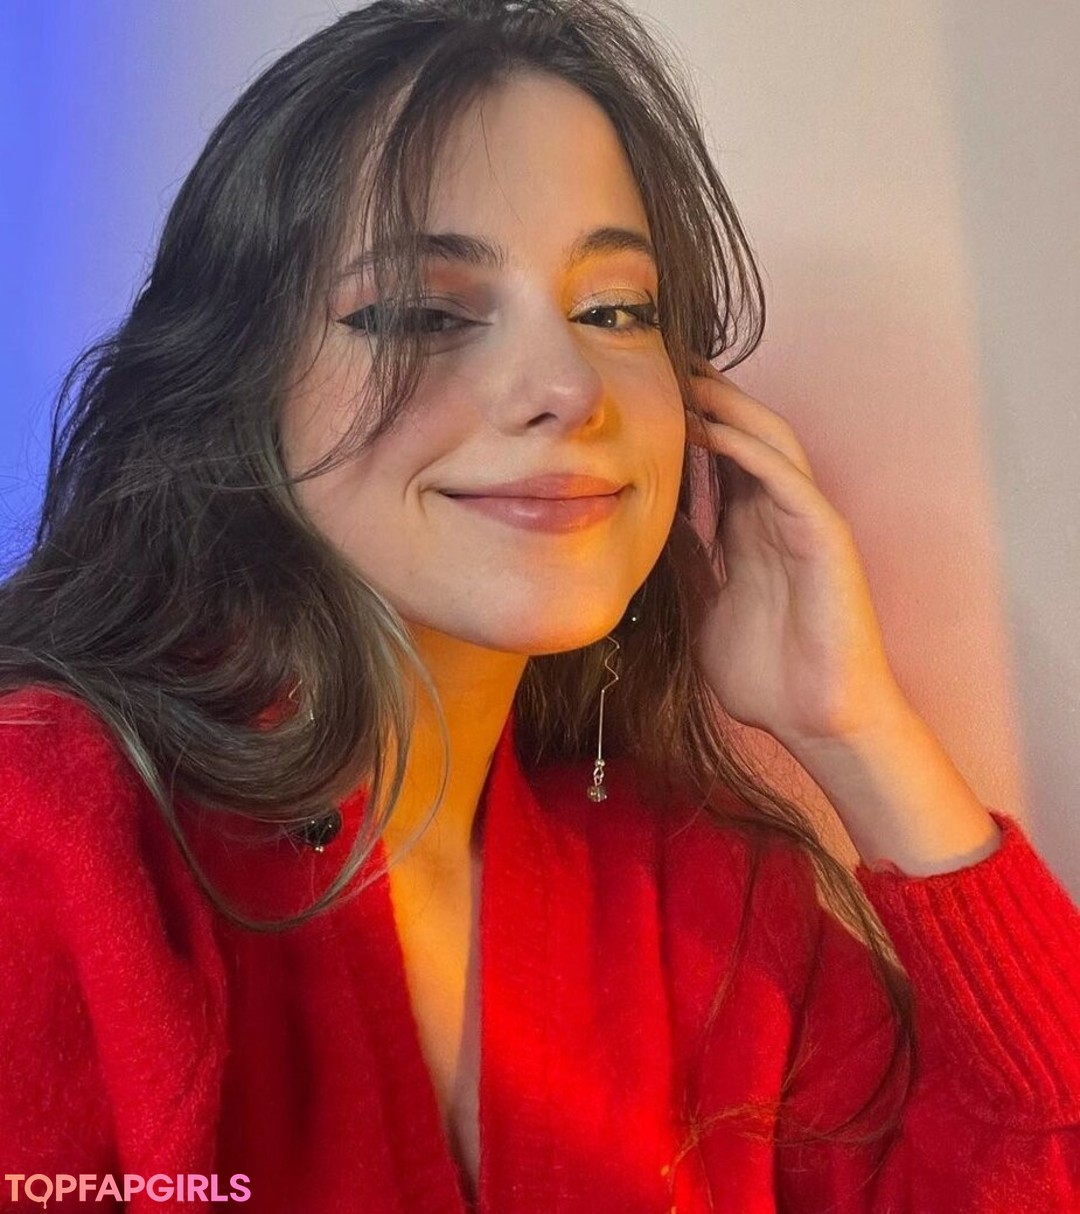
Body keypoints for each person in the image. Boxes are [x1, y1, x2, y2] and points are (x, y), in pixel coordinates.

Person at [1, 1, 1077, 1211]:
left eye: (616, 310)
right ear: (231, 385)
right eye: (424, 312)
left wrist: (856, 728)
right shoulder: (49, 828)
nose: (567, 385)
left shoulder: (703, 895)